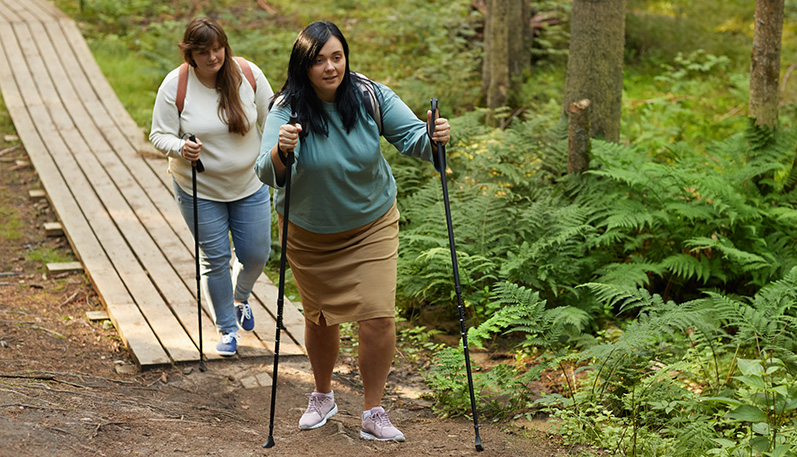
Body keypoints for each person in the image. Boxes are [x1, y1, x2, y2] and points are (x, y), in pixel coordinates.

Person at [255, 21, 451, 442]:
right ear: (303, 66)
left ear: (346, 57)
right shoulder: (286, 109)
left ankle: (373, 411)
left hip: (371, 224)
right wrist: (281, 149)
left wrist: (434, 135)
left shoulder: (369, 96)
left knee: (378, 316)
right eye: (319, 60)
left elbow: (414, 137)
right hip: (310, 232)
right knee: (320, 317)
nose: (330, 67)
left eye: (337, 57)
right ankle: (323, 395)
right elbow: (265, 171)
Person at [149, 17, 274, 357]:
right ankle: (227, 329)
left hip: (250, 182)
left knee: (256, 253)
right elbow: (158, 134)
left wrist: (284, 149)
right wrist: (180, 148)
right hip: (198, 188)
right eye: (203, 52)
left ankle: (241, 298)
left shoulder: (248, 75)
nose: (213, 58)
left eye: (217, 49)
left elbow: (272, 118)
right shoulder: (176, 85)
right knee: (215, 259)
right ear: (191, 54)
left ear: (225, 48)